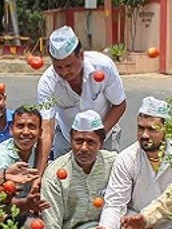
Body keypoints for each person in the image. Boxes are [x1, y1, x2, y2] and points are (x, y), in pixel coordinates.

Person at [34, 110, 117, 229]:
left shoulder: (114, 163)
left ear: (101, 143)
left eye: (91, 142)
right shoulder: (56, 173)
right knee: (33, 227)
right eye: (78, 141)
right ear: (70, 140)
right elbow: (52, 226)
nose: (83, 148)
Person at [92, 97, 172, 229]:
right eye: (141, 128)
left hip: (170, 219)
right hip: (135, 215)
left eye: (152, 129)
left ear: (167, 130)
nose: (144, 135)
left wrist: (154, 228)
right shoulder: (126, 158)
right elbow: (114, 202)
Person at [36, 26, 127, 173]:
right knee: (62, 181)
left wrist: (98, 136)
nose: (64, 72)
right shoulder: (47, 83)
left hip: (105, 132)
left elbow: (119, 105)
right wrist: (39, 174)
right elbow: (46, 129)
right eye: (58, 67)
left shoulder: (104, 67)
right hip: (67, 136)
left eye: (69, 65)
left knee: (107, 181)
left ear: (81, 56)